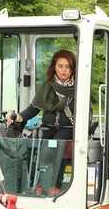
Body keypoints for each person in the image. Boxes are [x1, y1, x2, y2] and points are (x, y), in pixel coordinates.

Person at [6, 49, 76, 196]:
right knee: (32, 145)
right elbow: (33, 109)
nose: (64, 70)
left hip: (67, 127)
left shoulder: (79, 88)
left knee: (57, 147)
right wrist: (17, 117)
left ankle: (54, 185)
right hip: (48, 126)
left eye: (67, 67)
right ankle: (35, 183)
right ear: (54, 67)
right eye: (60, 66)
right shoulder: (47, 86)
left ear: (73, 69)